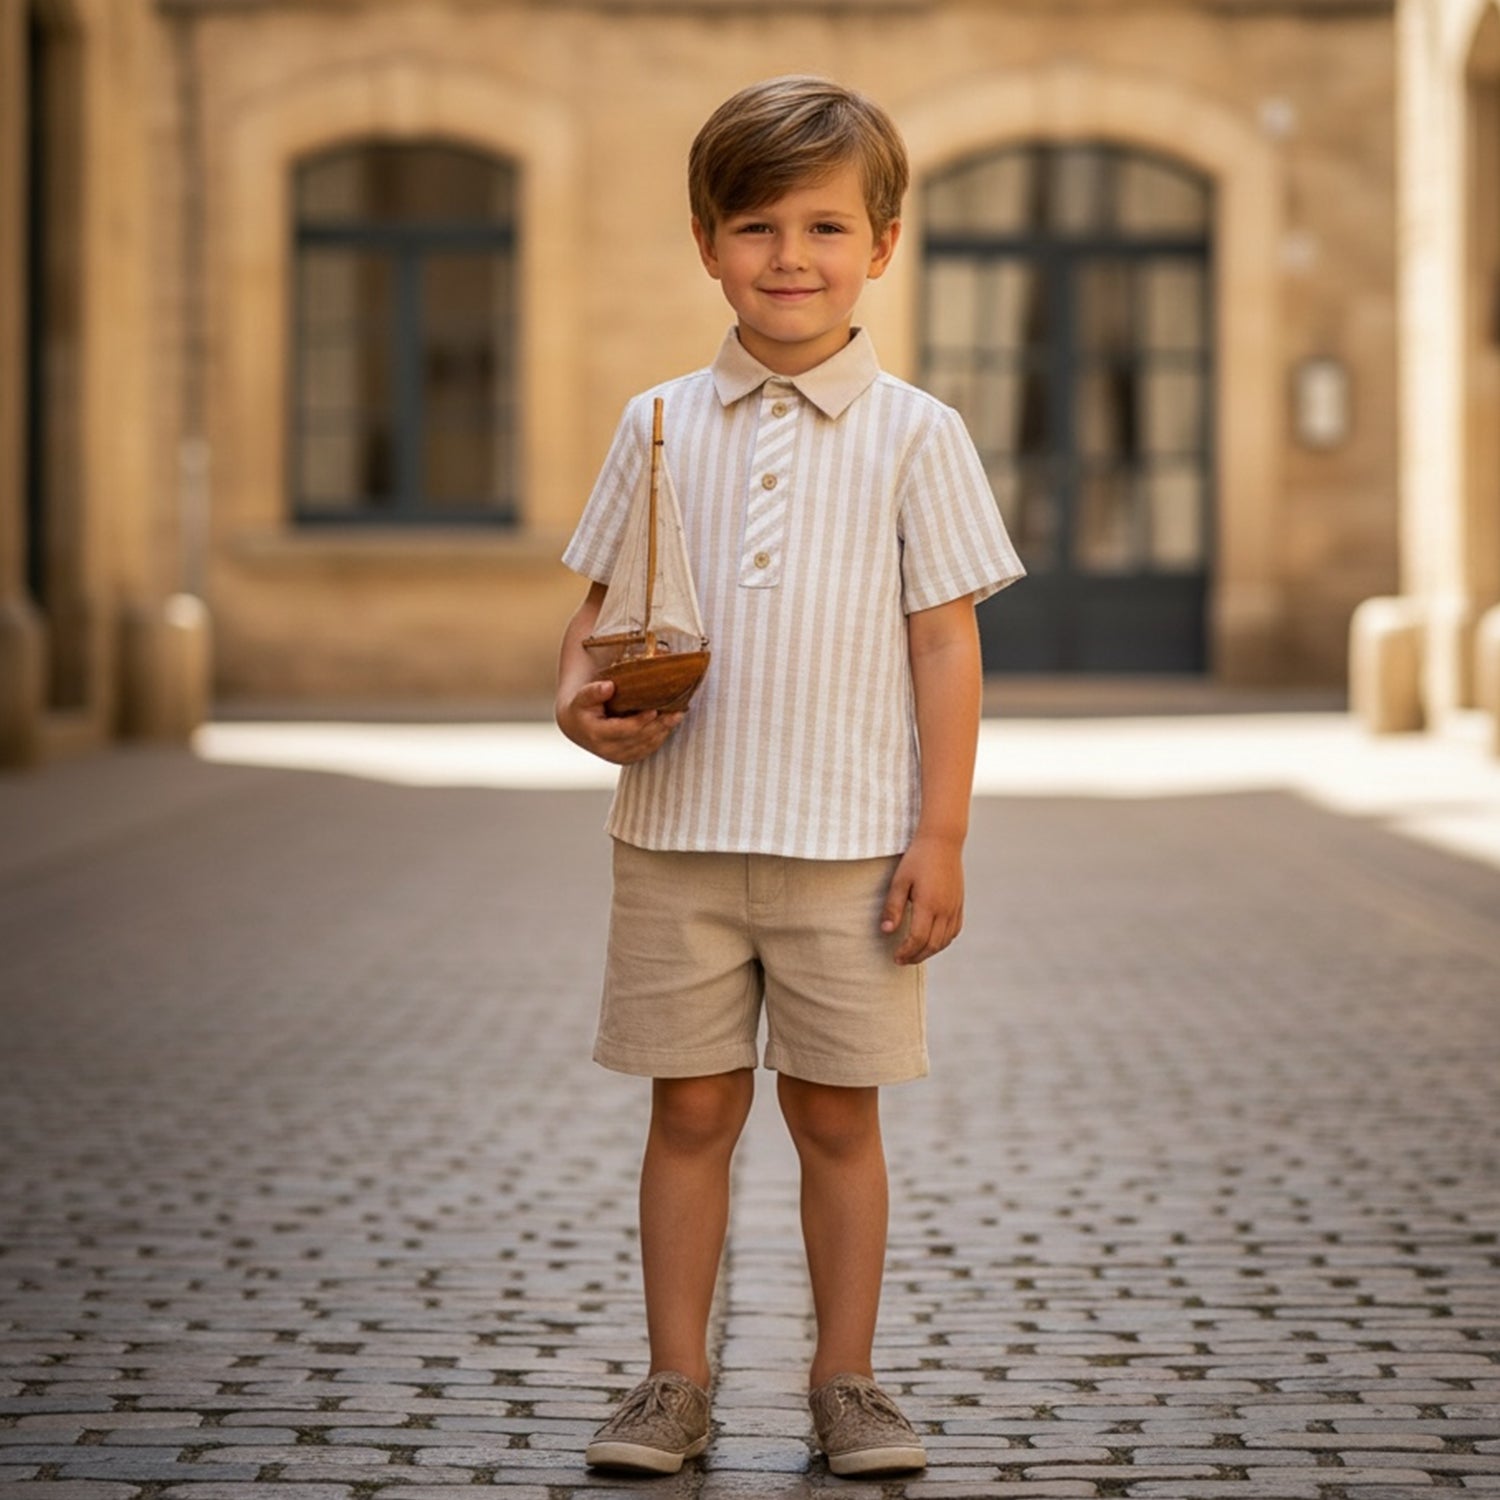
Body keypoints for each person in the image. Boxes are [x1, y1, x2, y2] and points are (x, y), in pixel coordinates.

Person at [555, 74, 1024, 1478]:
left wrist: (940, 837)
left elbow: (946, 646)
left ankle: (849, 1381)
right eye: (755, 226)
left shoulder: (916, 436)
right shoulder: (655, 422)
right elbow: (590, 621)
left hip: (851, 848)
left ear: (882, 245)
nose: (790, 259)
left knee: (835, 1113)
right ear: (706, 242)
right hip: (677, 840)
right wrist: (579, 712)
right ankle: (674, 1381)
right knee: (690, 1108)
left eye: (825, 227)